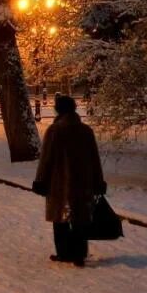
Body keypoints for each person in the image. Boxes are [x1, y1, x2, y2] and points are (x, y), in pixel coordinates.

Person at [32, 94, 106, 267]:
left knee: (60, 219)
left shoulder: (55, 131)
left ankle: (64, 253)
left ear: (59, 110)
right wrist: (98, 182)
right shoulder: (86, 131)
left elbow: (46, 159)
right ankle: (79, 254)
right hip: (83, 183)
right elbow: (94, 159)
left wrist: (40, 180)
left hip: (59, 184)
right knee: (80, 218)